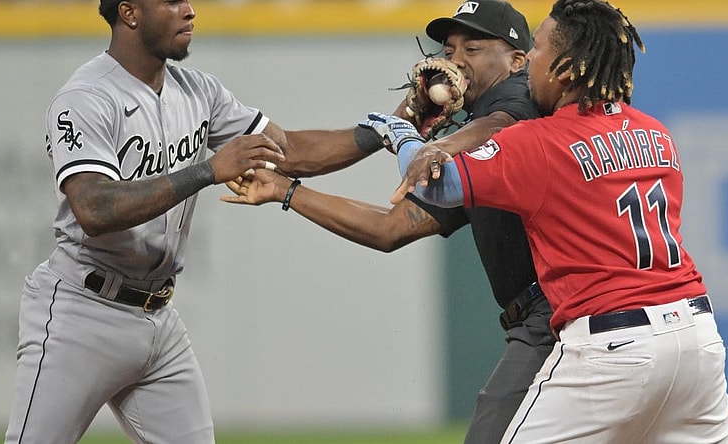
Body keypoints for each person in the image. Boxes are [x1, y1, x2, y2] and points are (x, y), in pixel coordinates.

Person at [4, 0, 380, 442]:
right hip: (82, 312)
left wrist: (390, 129)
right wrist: (207, 170)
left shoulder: (199, 90)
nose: (189, 11)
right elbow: (94, 209)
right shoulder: (86, 97)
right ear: (129, 13)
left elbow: (289, 151)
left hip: (157, 317)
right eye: (171, 2)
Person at [381, 0, 728, 442]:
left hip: (612, 346)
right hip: (697, 337)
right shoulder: (656, 132)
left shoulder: (540, 141)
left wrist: (401, 130)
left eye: (540, 49)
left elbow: (440, 187)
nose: (530, 58)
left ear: (566, 69)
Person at [223, 2, 557, 443]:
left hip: (555, 316)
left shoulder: (517, 99)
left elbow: (503, 122)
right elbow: (392, 227)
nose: (455, 60)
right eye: (449, 48)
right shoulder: (474, 149)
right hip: (546, 319)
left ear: (518, 60)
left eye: (472, 48)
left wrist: (436, 146)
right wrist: (287, 192)